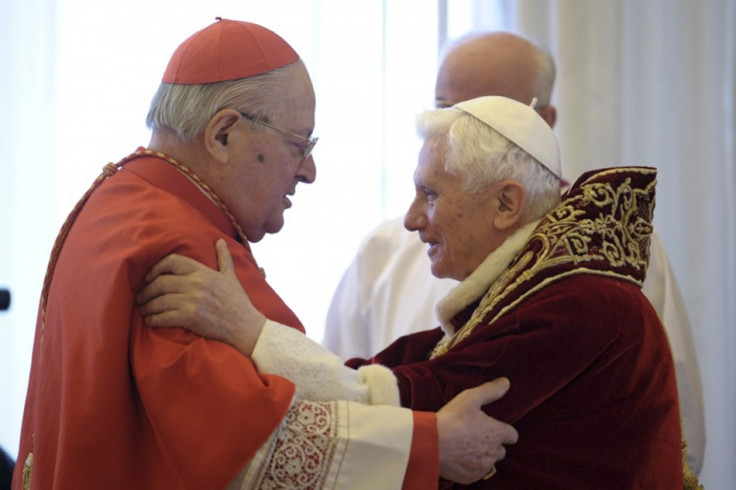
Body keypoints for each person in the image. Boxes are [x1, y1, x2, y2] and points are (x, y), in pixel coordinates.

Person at [12, 19, 519, 490]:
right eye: (300, 144)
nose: (309, 171)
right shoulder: (174, 244)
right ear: (224, 134)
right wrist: (430, 447)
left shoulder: (122, 202)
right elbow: (241, 444)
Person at [136, 95, 688, 488]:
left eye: (430, 194)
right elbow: (384, 371)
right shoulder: (527, 295)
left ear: (506, 204)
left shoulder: (586, 304)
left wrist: (248, 330)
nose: (410, 221)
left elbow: (419, 396)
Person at [322, 31, 706, 475]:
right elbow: (358, 383)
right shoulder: (386, 248)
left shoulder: (590, 283)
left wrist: (259, 344)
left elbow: (676, 432)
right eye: (446, 106)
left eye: (486, 109)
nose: (413, 220)